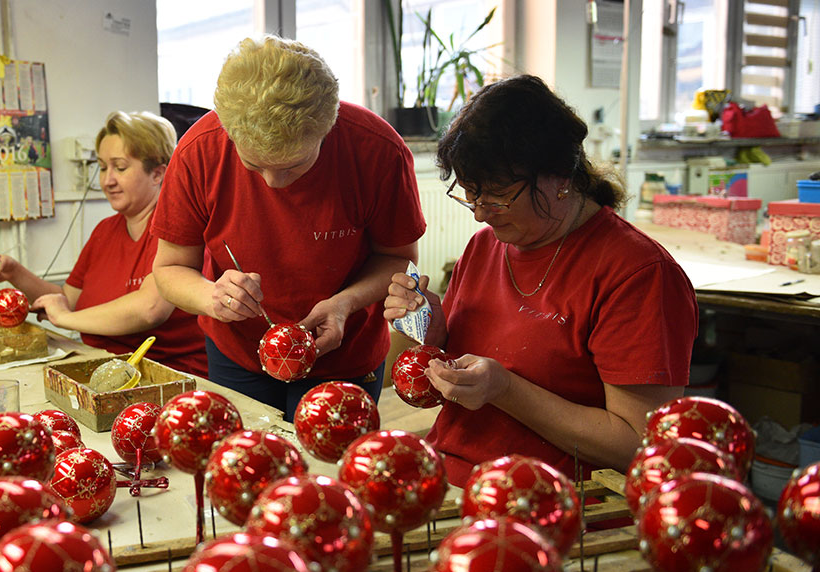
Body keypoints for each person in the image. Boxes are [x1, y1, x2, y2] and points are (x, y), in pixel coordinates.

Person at [384, 75, 698, 486]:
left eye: (497, 196)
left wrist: (504, 389)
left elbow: (637, 444)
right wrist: (424, 328)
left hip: (553, 502)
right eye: (470, 195)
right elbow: (403, 379)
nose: (480, 213)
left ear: (560, 177)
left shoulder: (637, 274)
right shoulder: (484, 247)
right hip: (455, 478)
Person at [151, 36, 425, 419]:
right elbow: (169, 269)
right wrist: (213, 297)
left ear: (328, 128)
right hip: (237, 353)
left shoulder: (377, 150)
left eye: (294, 166)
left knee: (328, 472)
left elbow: (397, 259)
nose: (273, 184)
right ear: (230, 134)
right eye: (253, 165)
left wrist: (345, 304)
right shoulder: (199, 150)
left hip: (345, 355)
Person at [0, 110, 208, 377]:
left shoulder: (175, 231)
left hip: (165, 377)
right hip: (101, 367)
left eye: (121, 167)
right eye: (103, 167)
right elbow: (67, 300)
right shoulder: (105, 231)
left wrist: (65, 319)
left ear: (158, 174)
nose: (107, 180)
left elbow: (150, 309)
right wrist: (13, 271)